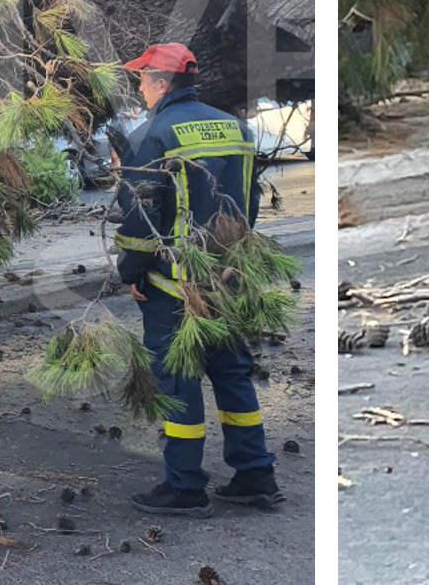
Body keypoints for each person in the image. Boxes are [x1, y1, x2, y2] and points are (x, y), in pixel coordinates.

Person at [113, 42, 282, 517]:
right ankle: (256, 475)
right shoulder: (236, 128)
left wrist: (131, 271)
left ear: (162, 83)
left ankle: (185, 486)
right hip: (230, 274)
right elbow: (246, 204)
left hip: (175, 283)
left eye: (144, 80)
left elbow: (142, 214)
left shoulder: (153, 134)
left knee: (178, 379)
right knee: (233, 376)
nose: (141, 89)